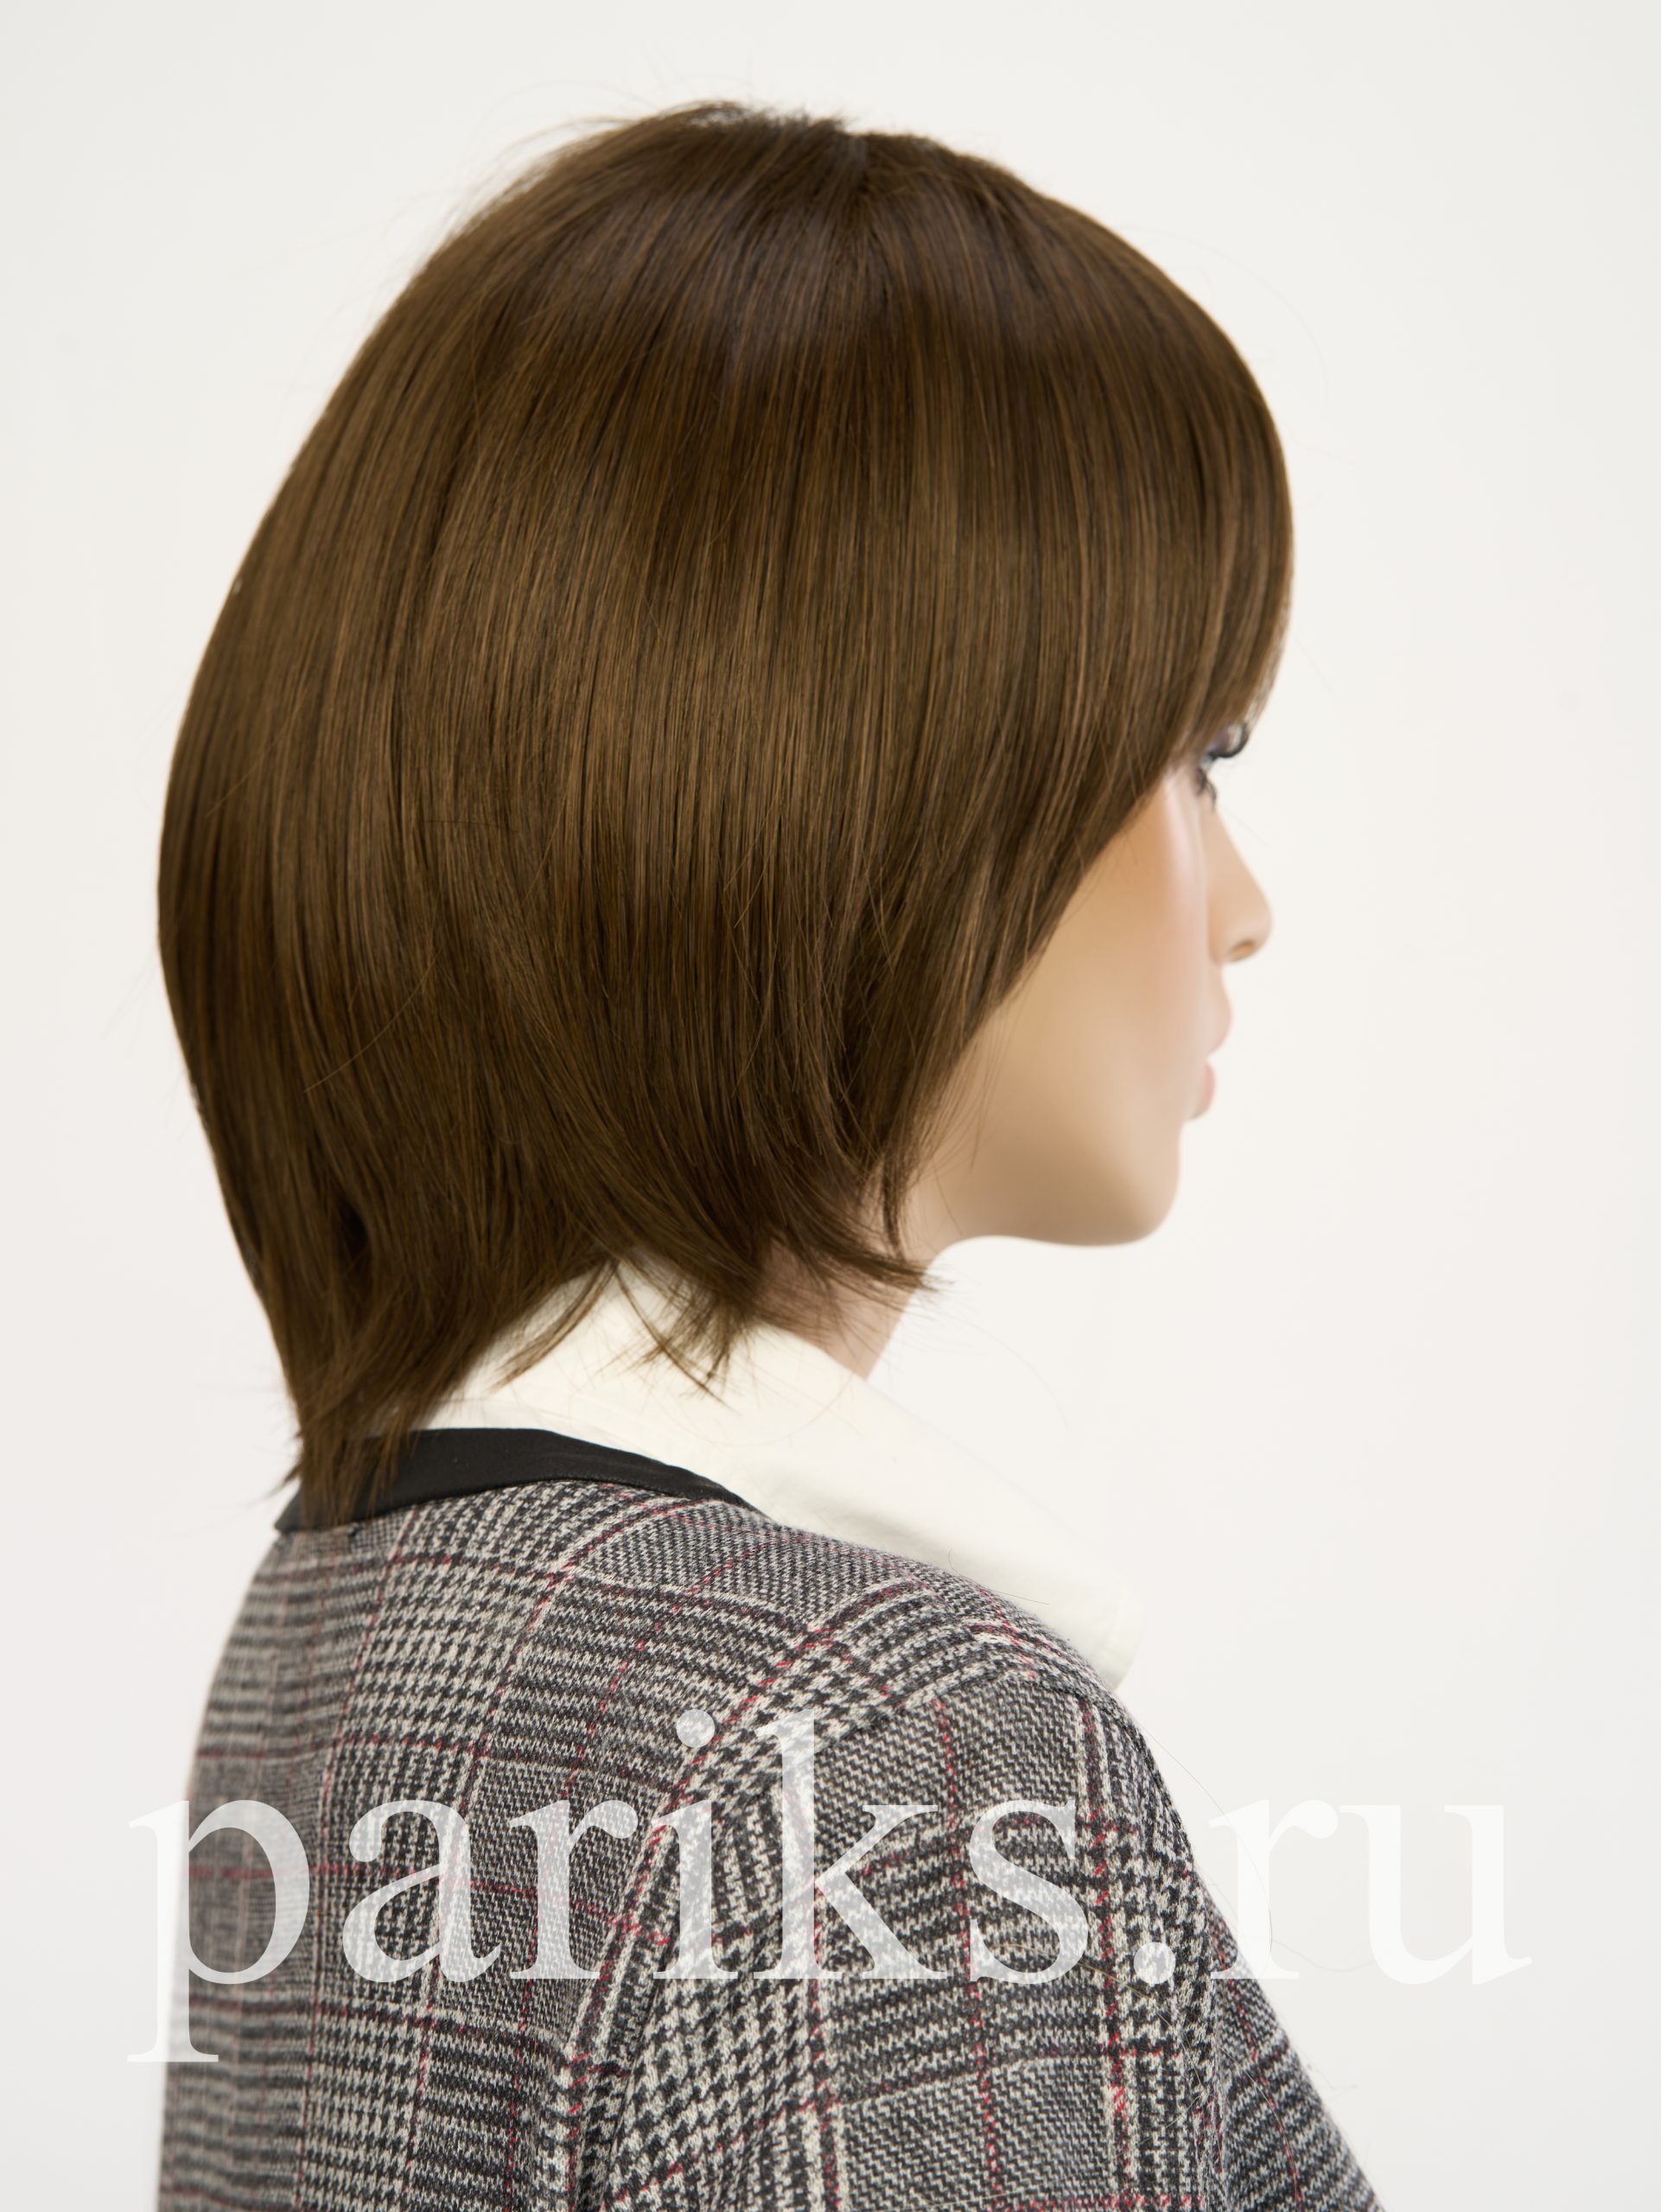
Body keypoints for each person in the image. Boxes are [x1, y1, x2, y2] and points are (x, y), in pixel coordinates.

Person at [154, 99, 1384, 2208]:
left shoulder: (347, 1607)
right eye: (1199, 755)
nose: (1244, 902)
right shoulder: (897, 1750)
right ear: (883, 775)